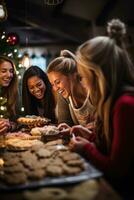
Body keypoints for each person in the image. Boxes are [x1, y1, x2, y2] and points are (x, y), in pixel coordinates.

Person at [69, 19, 134, 199]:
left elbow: (117, 169)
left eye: (82, 76)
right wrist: (89, 136)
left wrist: (87, 148)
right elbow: (111, 148)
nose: (82, 82)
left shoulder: (125, 105)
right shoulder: (109, 101)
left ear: (97, 74)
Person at [47, 50, 95, 127]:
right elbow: (64, 122)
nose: (55, 89)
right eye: (52, 84)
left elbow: (106, 124)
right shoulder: (64, 96)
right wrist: (64, 128)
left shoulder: (92, 91)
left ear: (72, 76)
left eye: (58, 82)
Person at [0, 56, 19, 134]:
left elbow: (18, 121)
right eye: (4, 71)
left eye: (11, 71)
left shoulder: (13, 93)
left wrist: (9, 126)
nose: (9, 75)